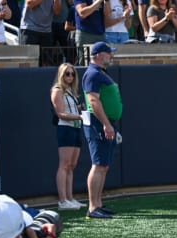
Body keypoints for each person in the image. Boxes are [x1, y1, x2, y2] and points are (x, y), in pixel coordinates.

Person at [81, 41, 122, 219]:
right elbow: (93, 101)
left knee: (103, 165)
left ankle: (98, 204)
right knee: (98, 165)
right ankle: (92, 207)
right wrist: (106, 124)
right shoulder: (92, 74)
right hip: (99, 124)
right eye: (108, 53)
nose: (110, 56)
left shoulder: (99, 73)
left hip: (105, 123)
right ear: (98, 55)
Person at [51, 63, 86, 211]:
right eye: (67, 74)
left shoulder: (71, 90)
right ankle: (63, 200)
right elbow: (60, 114)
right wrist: (79, 116)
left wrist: (81, 109)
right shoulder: (57, 90)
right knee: (64, 165)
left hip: (76, 127)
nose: (70, 77)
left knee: (72, 165)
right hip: (65, 128)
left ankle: (70, 198)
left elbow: (69, 109)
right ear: (61, 75)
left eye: (72, 74)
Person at [20, 0, 62, 65]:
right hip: (30, 29)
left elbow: (57, 12)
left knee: (46, 63)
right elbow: (30, 3)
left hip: (47, 31)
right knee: (27, 62)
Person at [74, 0, 107, 65]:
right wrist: (99, 1)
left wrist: (107, 2)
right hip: (85, 34)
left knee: (103, 64)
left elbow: (107, 14)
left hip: (100, 34)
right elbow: (82, 13)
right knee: (84, 64)